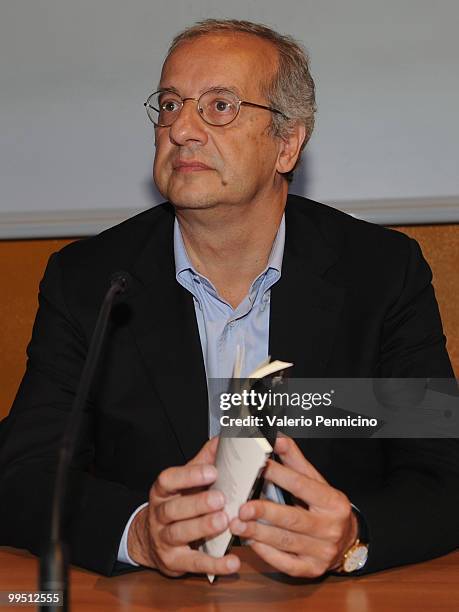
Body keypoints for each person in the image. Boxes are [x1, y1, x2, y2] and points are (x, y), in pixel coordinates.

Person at [0, 19, 457, 580]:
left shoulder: (380, 273)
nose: (183, 129)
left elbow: (443, 471)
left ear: (287, 143)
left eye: (219, 107)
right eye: (170, 105)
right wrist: (137, 530)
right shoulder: (92, 281)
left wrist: (354, 534)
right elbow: (24, 471)